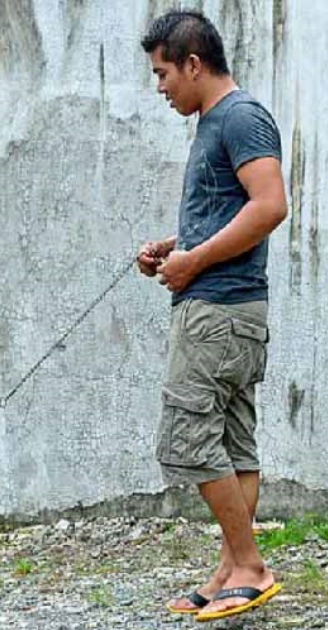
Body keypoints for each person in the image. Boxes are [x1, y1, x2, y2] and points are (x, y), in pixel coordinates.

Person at [136, 9, 288, 622]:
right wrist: (176, 247)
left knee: (187, 439)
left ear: (193, 64)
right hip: (227, 307)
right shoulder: (216, 122)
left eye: (163, 72)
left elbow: (270, 205)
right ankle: (230, 570)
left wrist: (194, 261)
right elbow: (232, 211)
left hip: (218, 313)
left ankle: (250, 565)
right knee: (231, 442)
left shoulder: (239, 118)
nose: (160, 86)